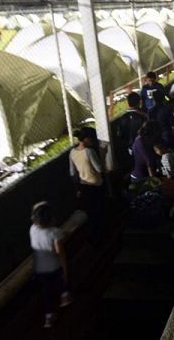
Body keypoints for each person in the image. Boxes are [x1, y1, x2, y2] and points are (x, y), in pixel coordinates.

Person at [29, 201, 72, 329]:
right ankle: (64, 296)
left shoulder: (32, 229)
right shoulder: (54, 232)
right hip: (53, 266)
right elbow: (60, 252)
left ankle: (49, 316)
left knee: (46, 291)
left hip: (39, 269)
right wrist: (65, 269)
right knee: (60, 280)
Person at [68, 127, 106, 244]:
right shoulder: (89, 151)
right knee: (99, 213)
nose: (93, 141)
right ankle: (101, 237)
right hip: (96, 185)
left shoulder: (72, 152)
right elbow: (99, 169)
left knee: (91, 213)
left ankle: (93, 239)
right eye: (92, 139)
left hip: (84, 186)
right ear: (86, 139)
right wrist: (104, 154)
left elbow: (72, 173)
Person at [111, 92, 147, 176]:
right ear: (139, 102)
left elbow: (120, 135)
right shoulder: (143, 116)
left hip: (127, 147)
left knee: (133, 166)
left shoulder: (122, 118)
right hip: (141, 146)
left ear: (128, 102)